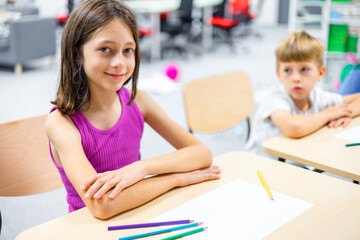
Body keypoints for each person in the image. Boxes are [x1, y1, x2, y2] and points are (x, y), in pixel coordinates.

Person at [46, 0, 220, 220]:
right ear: (77, 53)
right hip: (91, 229)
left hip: (139, 211)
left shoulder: (138, 101)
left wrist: (142, 168)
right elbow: (101, 205)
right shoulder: (61, 123)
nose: (120, 62)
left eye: (128, 50)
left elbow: (202, 154)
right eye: (105, 49)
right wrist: (175, 178)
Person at [244, 30, 360, 159]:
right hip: (260, 167)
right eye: (287, 70)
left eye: (304, 69)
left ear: (321, 73)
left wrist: (346, 113)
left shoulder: (318, 95)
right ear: (279, 75)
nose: (296, 78)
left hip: (295, 162)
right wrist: (328, 114)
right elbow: (294, 127)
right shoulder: (274, 98)